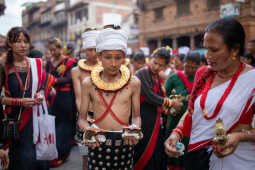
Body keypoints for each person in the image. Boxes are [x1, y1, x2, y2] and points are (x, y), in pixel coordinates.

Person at [165, 18, 255, 170]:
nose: (207, 55)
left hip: (239, 161)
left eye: (214, 50)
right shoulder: (203, 73)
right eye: (206, 48)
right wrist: (176, 133)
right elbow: (191, 111)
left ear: (234, 50)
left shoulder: (251, 80)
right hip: (197, 159)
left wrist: (239, 137)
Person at [78, 28, 142, 170]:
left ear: (124, 57)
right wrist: (88, 130)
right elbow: (81, 119)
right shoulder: (88, 83)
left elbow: (136, 117)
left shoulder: (134, 83)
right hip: (98, 142)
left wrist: (135, 128)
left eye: (118, 57)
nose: (113, 63)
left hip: (125, 143)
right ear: (99, 56)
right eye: (108, 57)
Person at [0, 27, 55, 170]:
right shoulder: (3, 66)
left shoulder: (36, 63)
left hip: (36, 120)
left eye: (26, 41)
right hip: (17, 122)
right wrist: (20, 102)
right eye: (18, 41)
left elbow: (43, 86)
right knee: (21, 160)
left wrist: (40, 94)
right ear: (10, 44)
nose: (23, 45)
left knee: (39, 160)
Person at [134, 47, 183, 170]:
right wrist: (172, 103)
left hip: (156, 121)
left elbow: (160, 101)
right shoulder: (142, 73)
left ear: (165, 66)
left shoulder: (158, 78)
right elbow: (150, 96)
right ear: (150, 59)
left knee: (157, 155)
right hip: (144, 120)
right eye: (155, 63)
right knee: (144, 153)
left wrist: (170, 109)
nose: (156, 67)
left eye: (161, 65)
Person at [164, 51, 200, 170]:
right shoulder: (174, 78)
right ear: (183, 64)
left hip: (193, 123)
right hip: (174, 121)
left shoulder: (201, 79)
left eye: (194, 67)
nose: (190, 69)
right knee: (174, 149)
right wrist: (172, 105)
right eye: (188, 66)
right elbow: (163, 98)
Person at [71, 28, 99, 170]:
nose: (93, 53)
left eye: (95, 49)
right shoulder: (76, 71)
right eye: (89, 49)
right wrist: (85, 117)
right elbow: (78, 97)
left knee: (102, 155)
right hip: (84, 115)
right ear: (84, 50)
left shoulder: (105, 68)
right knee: (86, 157)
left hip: (103, 116)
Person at [46, 37, 76, 167]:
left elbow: (70, 78)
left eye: (54, 50)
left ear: (60, 48)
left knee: (65, 127)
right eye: (50, 50)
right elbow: (45, 75)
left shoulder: (69, 62)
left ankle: (63, 153)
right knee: (54, 125)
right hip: (52, 97)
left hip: (65, 97)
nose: (52, 53)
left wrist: (55, 81)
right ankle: (54, 153)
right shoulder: (49, 62)